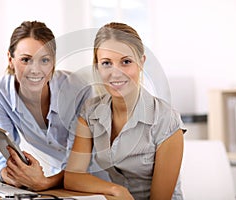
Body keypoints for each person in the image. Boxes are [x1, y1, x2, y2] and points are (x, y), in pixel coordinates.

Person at [64, 22, 186, 199]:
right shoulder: (90, 111)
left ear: (141, 62)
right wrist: (116, 190)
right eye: (106, 63)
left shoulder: (166, 119)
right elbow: (73, 176)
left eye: (126, 62)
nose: (116, 73)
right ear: (97, 66)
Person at [0, 21, 92, 191]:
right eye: (26, 59)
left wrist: (44, 182)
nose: (35, 70)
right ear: (10, 59)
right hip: (62, 179)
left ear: (53, 62)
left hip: (96, 175)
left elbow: (81, 164)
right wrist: (10, 174)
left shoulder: (78, 90)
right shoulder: (0, 93)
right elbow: (4, 152)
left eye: (44, 60)